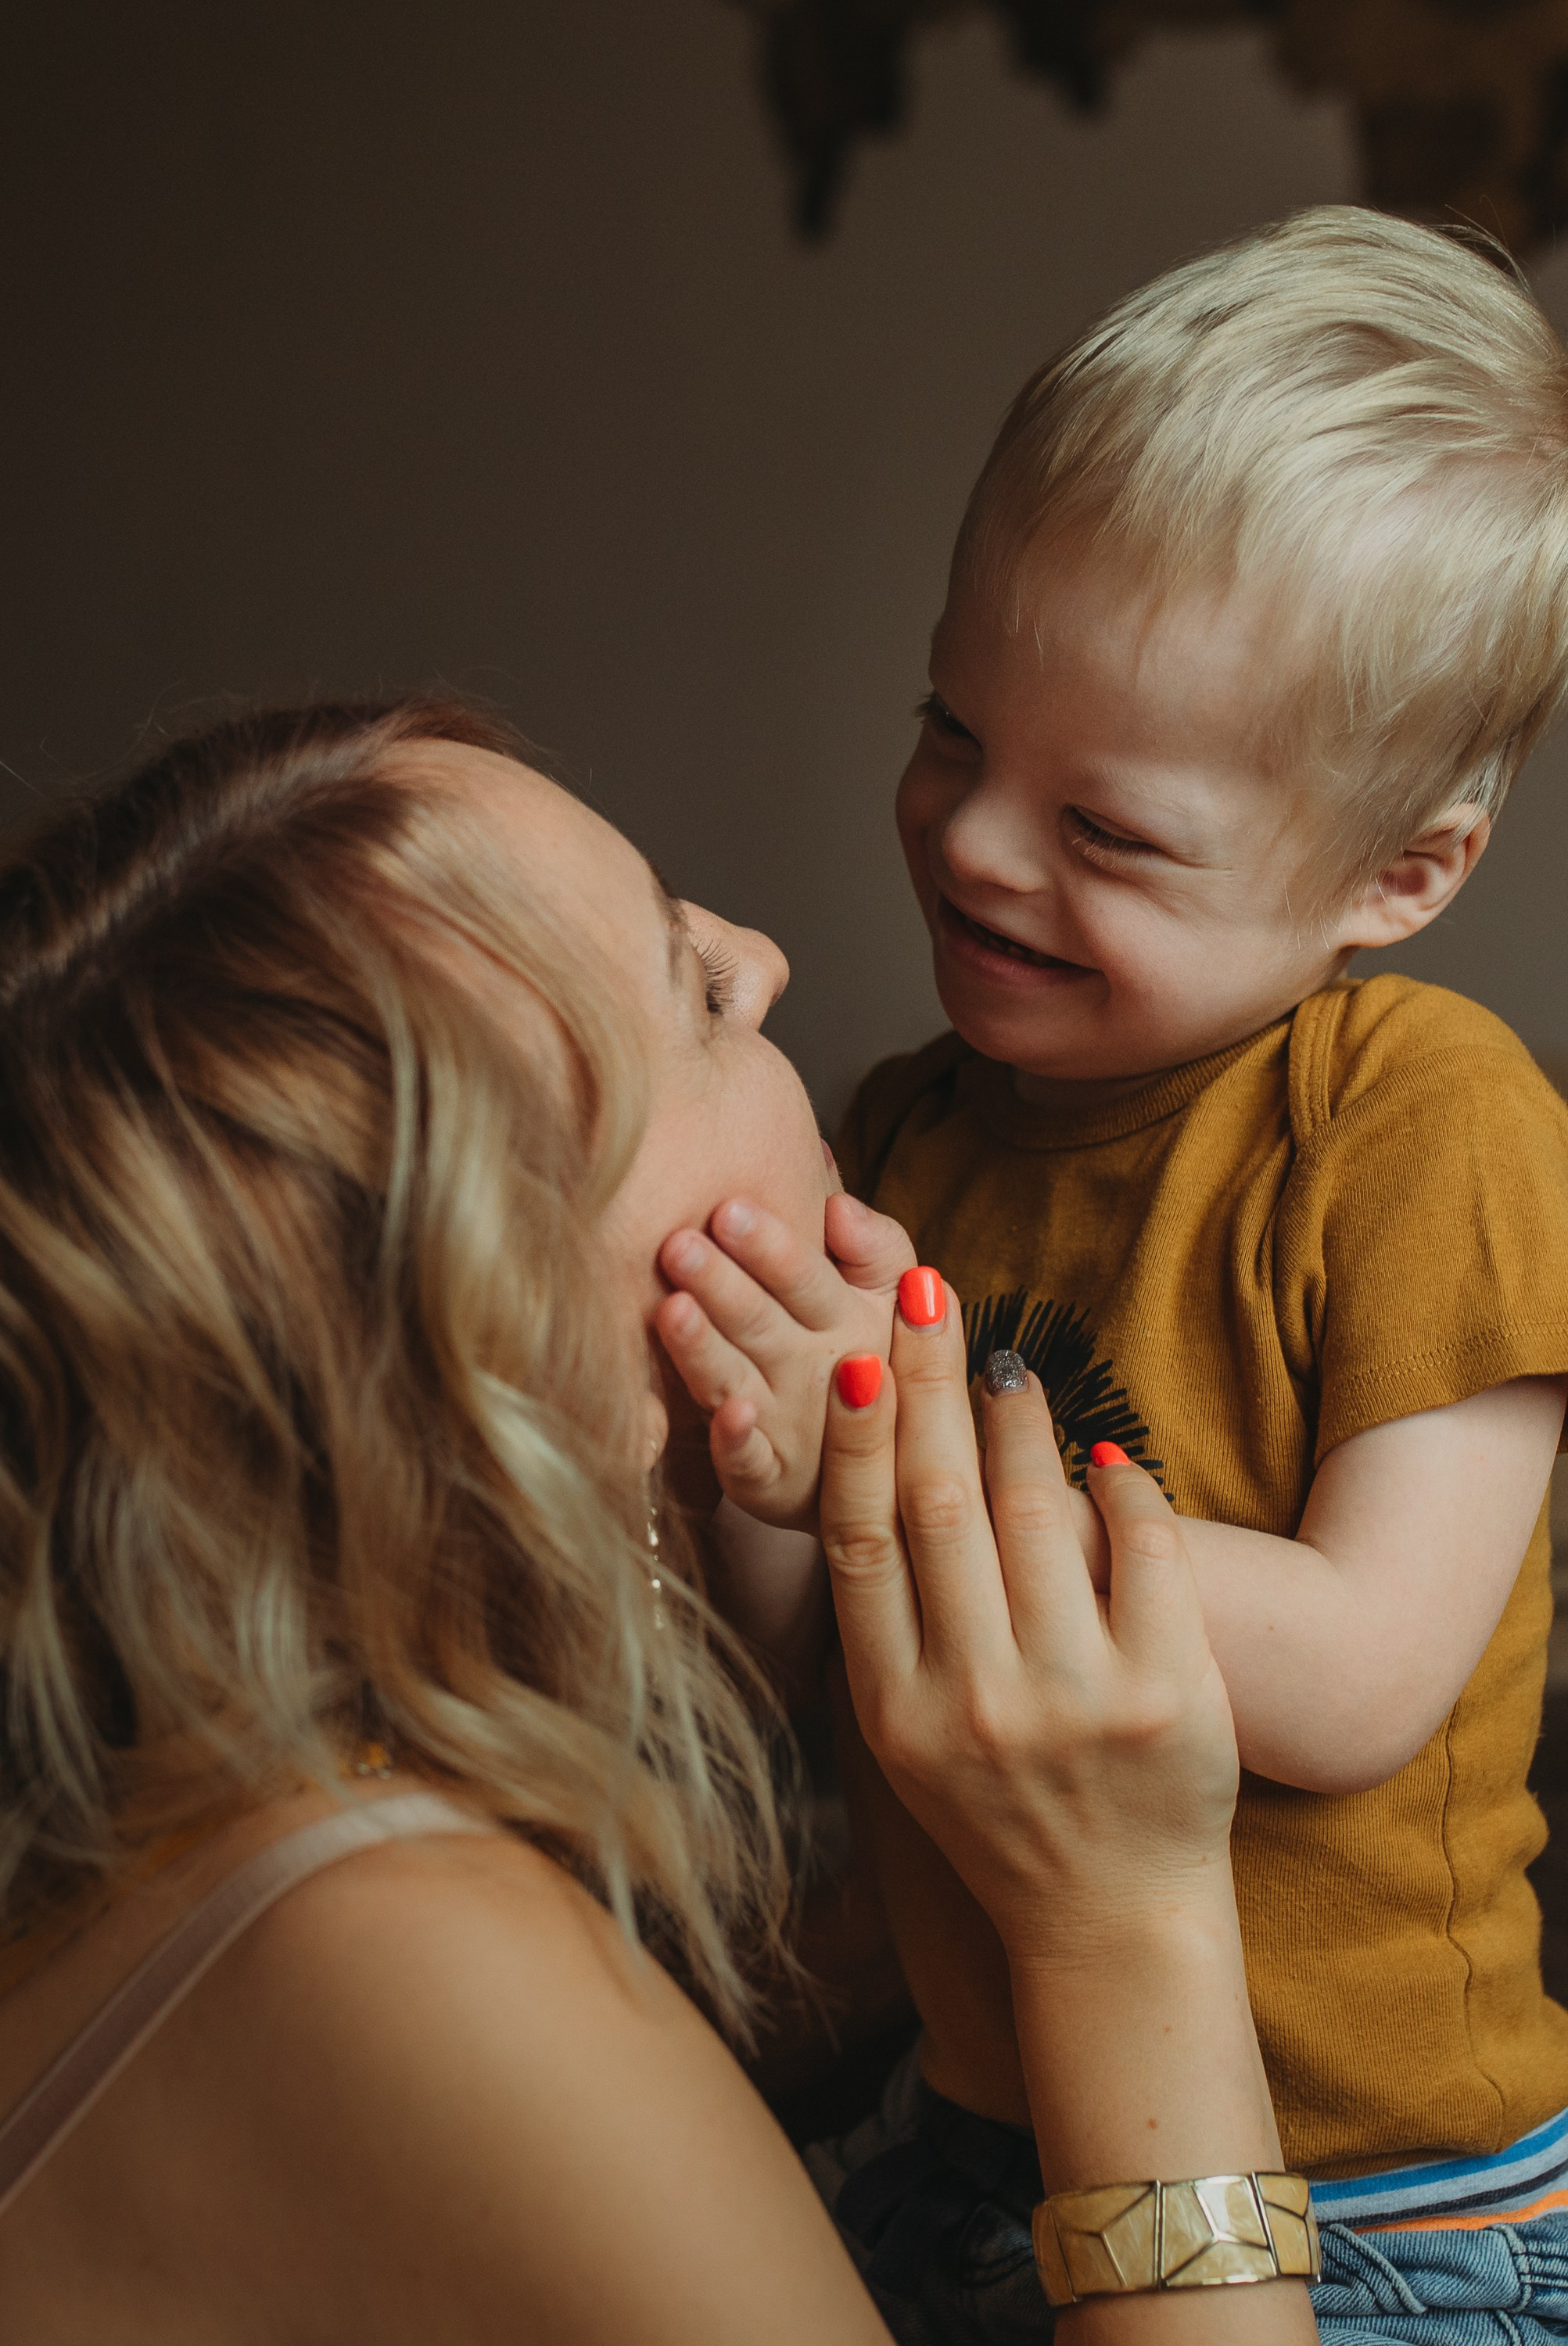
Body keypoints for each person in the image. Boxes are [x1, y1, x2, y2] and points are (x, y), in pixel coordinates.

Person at [0, 699, 1317, 2341]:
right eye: (691, 993)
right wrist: (1125, 1926)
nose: (761, 954)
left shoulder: (242, 1821)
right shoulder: (418, 1959)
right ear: (542, 1369)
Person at [653, 208, 1568, 2339]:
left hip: (1376, 2209)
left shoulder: (1423, 1122)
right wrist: (758, 1457)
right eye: (951, 733)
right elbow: (815, 1655)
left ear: (1396, 874)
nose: (975, 845)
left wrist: (901, 1438)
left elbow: (1347, 1672)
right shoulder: (901, 1130)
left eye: (1110, 831)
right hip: (980, 2126)